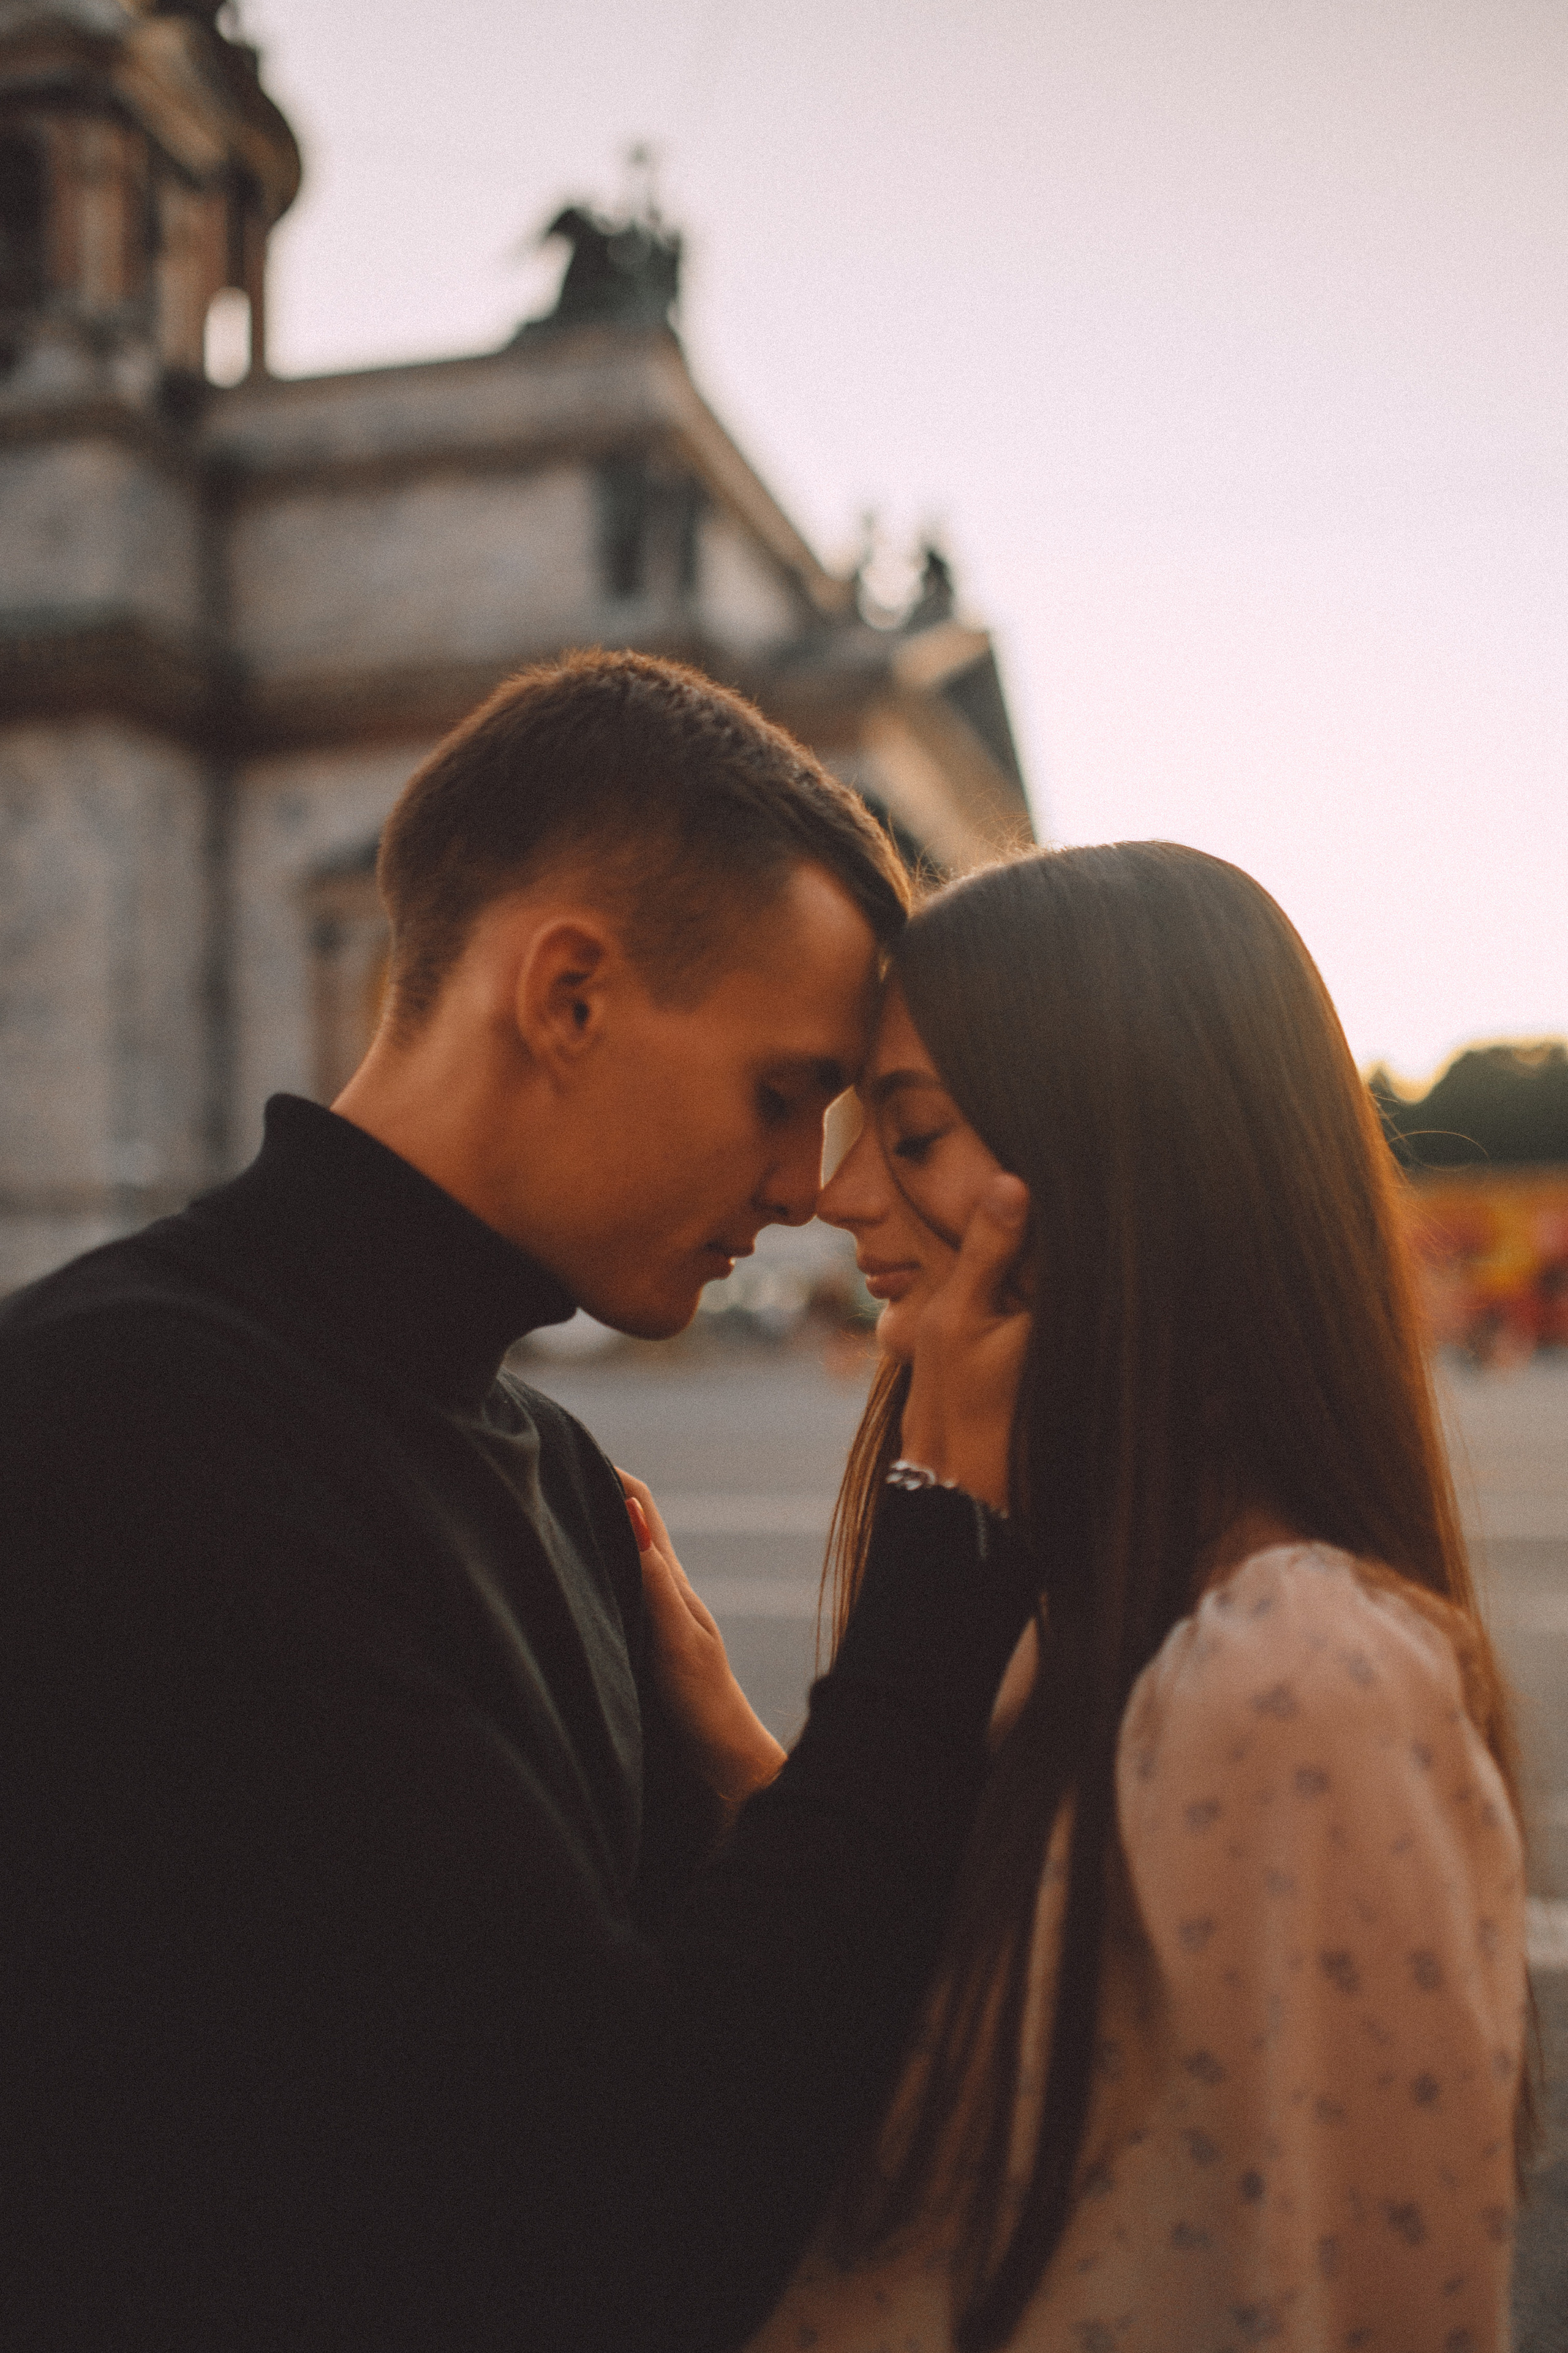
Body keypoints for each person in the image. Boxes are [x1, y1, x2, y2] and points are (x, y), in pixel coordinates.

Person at [0, 650, 1038, 2353]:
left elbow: (710, 2038)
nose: (803, 1188)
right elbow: (623, 2208)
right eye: (784, 1093)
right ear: (566, 994)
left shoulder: (548, 1467)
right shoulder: (134, 1422)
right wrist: (950, 1559)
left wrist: (743, 1812)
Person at [744, 842, 1531, 2353]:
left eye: (907, 1131)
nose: (833, 1192)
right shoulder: (1108, 1596)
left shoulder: (1297, 1679)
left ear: (1125, 1166)